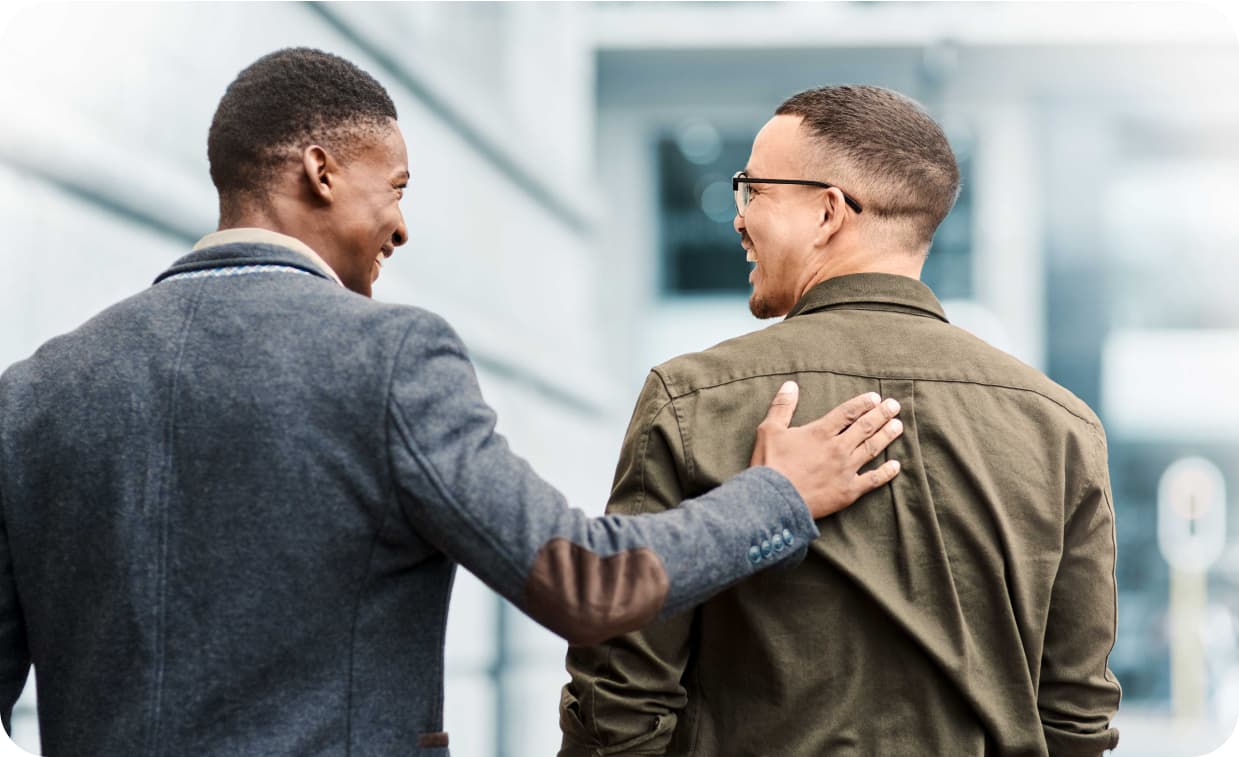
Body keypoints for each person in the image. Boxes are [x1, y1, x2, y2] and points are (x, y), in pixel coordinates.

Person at [0, 50, 907, 756]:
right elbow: (585, 580)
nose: (401, 224)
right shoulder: (387, 356)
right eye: (393, 188)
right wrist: (777, 495)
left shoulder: (36, 391)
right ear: (319, 170)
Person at [559, 85, 1121, 756]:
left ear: (828, 212)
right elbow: (1075, 716)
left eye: (752, 191)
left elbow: (620, 697)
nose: (737, 219)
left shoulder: (693, 399)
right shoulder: (1060, 428)